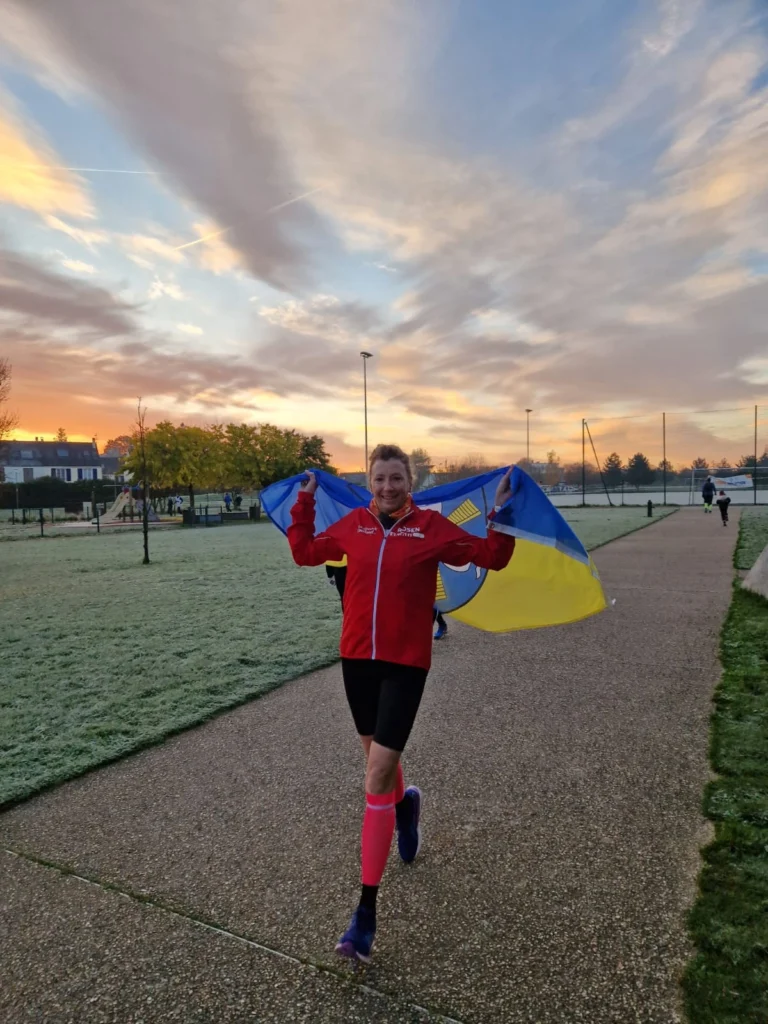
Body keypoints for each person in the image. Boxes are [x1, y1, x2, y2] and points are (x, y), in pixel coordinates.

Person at [287, 443, 515, 962]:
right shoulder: (353, 526)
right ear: (370, 482)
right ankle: (406, 804)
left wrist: (502, 511)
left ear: (410, 482)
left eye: (396, 478)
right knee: (379, 767)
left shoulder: (432, 529)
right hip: (356, 662)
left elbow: (492, 557)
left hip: (406, 665)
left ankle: (364, 914)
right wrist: (304, 503)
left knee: (374, 775)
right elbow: (305, 552)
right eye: (379, 479)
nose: (387, 487)